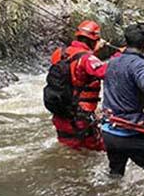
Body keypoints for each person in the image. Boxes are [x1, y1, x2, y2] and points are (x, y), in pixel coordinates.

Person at [101, 24, 144, 178]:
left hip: (108, 132)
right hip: (129, 133)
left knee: (115, 174)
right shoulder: (138, 64)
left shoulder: (113, 62)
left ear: (125, 42)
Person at [45, 20, 108, 151]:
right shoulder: (87, 59)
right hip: (80, 115)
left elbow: (75, 67)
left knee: (69, 147)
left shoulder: (59, 53)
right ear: (94, 40)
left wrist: (93, 52)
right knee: (96, 150)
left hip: (61, 112)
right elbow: (106, 72)